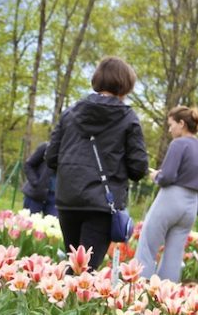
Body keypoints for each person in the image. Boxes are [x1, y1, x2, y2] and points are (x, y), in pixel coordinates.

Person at [45, 57, 149, 271]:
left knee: (75, 265)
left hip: (69, 200)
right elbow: (138, 168)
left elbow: (51, 157)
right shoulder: (128, 118)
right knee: (86, 272)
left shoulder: (71, 113)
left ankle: (64, 302)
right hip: (101, 203)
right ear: (125, 85)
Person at [136, 106, 198, 282]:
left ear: (182, 124)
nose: (169, 129)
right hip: (191, 203)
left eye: (171, 125)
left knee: (147, 246)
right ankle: (166, 299)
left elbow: (168, 176)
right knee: (174, 256)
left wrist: (156, 176)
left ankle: (137, 292)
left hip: (171, 198)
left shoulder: (178, 143)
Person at [21, 141, 57, 216]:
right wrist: (35, 182)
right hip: (35, 194)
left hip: (55, 198)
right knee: (28, 224)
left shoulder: (71, 154)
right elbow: (28, 165)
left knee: (53, 226)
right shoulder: (46, 147)